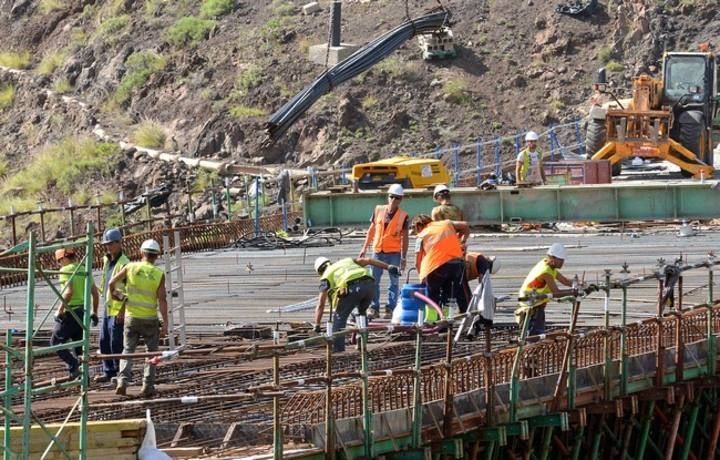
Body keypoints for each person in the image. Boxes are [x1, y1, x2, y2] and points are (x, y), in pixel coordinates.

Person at [111, 239, 168, 397]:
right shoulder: (158, 274)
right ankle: (147, 385)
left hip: (132, 318)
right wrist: (165, 324)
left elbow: (112, 283)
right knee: (152, 352)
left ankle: (122, 381)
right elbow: (162, 299)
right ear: (156, 256)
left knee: (128, 350)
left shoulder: (130, 267)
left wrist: (119, 296)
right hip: (150, 319)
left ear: (141, 253)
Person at [313, 256, 400, 352]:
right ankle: (362, 342)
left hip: (353, 287)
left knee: (339, 317)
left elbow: (321, 304)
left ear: (319, 272)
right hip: (370, 285)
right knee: (362, 315)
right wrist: (388, 267)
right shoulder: (347, 261)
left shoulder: (325, 276)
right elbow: (368, 260)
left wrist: (317, 325)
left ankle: (338, 349)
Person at [358, 183, 409, 320]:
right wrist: (364, 248)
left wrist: (403, 258)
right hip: (378, 251)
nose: (394, 200)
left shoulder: (403, 216)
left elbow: (405, 238)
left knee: (394, 282)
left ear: (401, 199)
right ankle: (374, 308)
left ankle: (390, 308)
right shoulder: (378, 210)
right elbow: (371, 230)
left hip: (394, 253)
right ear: (388, 196)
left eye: (397, 198)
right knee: (373, 280)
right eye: (392, 197)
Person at [50, 247, 99, 379]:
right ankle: (84, 378)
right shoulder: (84, 269)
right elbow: (95, 293)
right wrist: (94, 312)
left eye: (59, 261)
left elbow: (69, 292)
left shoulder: (65, 270)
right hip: (83, 312)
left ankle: (74, 365)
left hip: (70, 312)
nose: (59, 264)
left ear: (64, 258)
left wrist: (59, 310)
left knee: (55, 342)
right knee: (79, 347)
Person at [516, 243, 580, 336]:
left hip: (537, 304)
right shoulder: (545, 272)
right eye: (561, 260)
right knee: (534, 336)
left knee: (536, 334)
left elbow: (564, 281)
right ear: (553, 258)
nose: (562, 263)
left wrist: (578, 284)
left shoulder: (548, 265)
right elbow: (556, 293)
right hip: (531, 305)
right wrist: (573, 292)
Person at [412, 214, 470, 314]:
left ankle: (432, 321)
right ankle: (447, 320)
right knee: (449, 297)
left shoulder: (421, 236)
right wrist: (461, 241)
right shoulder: (446, 224)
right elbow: (465, 225)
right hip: (455, 265)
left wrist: (422, 278)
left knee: (432, 297)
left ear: (418, 226)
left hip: (435, 268)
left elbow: (417, 263)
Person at [94, 228, 130, 383]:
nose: (108, 247)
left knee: (116, 342)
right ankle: (108, 371)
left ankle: (119, 372)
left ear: (118, 243)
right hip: (108, 307)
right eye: (106, 244)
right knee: (104, 340)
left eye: (110, 244)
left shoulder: (125, 263)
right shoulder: (107, 261)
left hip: (118, 309)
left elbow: (129, 290)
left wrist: (123, 309)